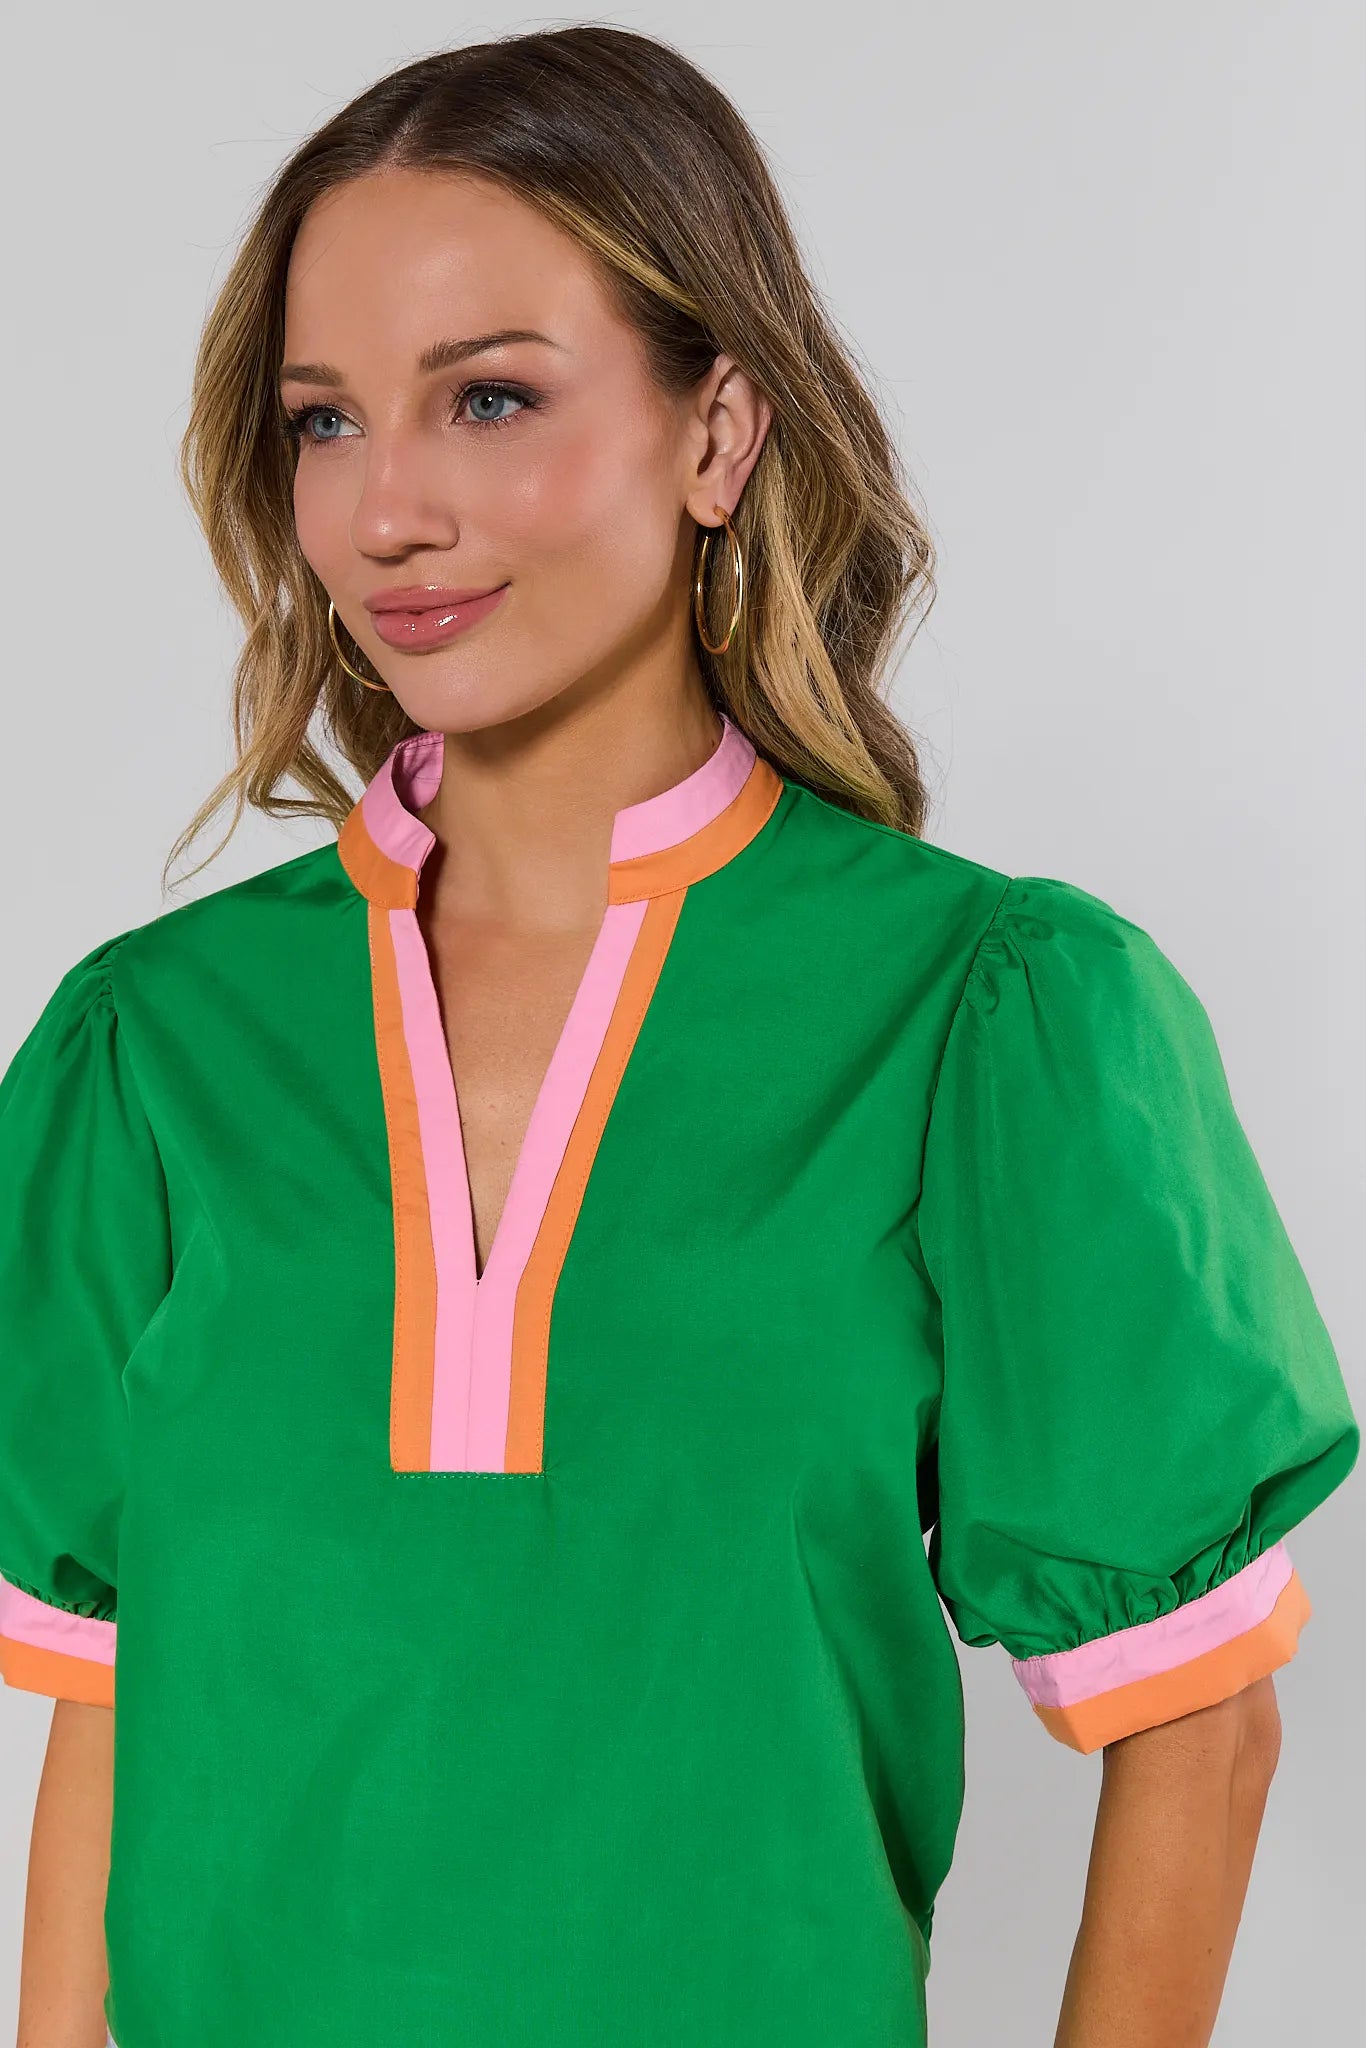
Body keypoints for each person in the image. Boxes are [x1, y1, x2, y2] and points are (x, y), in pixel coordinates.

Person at [0, 24, 1356, 2048]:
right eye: (323, 421)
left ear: (715, 432)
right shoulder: (152, 1047)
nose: (385, 510)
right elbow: (113, 1691)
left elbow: (1198, 1725)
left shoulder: (978, 1016)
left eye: (488, 397)